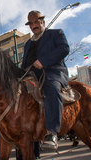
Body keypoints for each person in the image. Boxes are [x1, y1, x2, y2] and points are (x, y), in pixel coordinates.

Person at [21, 10, 69, 150]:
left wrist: (43, 61)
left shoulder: (56, 33)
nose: (34, 25)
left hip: (52, 72)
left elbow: (64, 49)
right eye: (31, 23)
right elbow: (24, 64)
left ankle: (52, 132)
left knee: (51, 89)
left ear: (43, 22)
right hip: (30, 75)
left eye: (37, 21)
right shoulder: (28, 43)